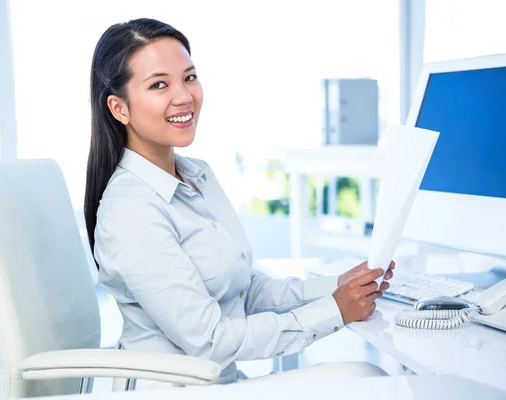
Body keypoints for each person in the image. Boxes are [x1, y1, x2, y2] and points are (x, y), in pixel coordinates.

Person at [84, 18, 395, 388]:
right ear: (119, 108)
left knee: (367, 377)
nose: (184, 96)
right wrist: (334, 311)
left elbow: (244, 292)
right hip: (173, 390)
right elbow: (209, 340)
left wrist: (336, 286)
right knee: (367, 379)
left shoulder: (196, 175)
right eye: (159, 84)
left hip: (220, 382)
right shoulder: (131, 211)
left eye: (190, 77)